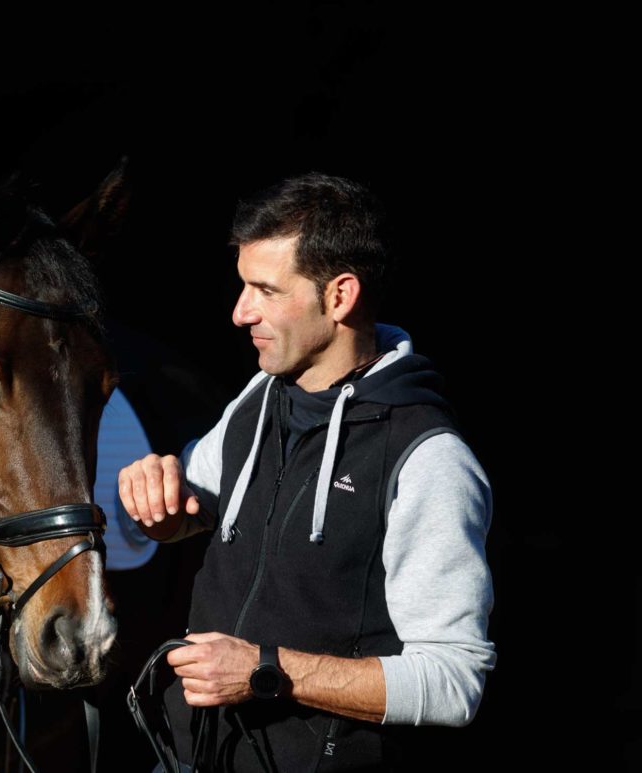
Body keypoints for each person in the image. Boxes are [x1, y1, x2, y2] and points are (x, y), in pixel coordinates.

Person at [118, 173, 495, 771]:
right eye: (242, 285)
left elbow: (454, 683)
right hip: (189, 757)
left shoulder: (428, 458)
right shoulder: (257, 398)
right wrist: (156, 499)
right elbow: (192, 512)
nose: (240, 312)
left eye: (265, 289)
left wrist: (265, 671)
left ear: (340, 296)